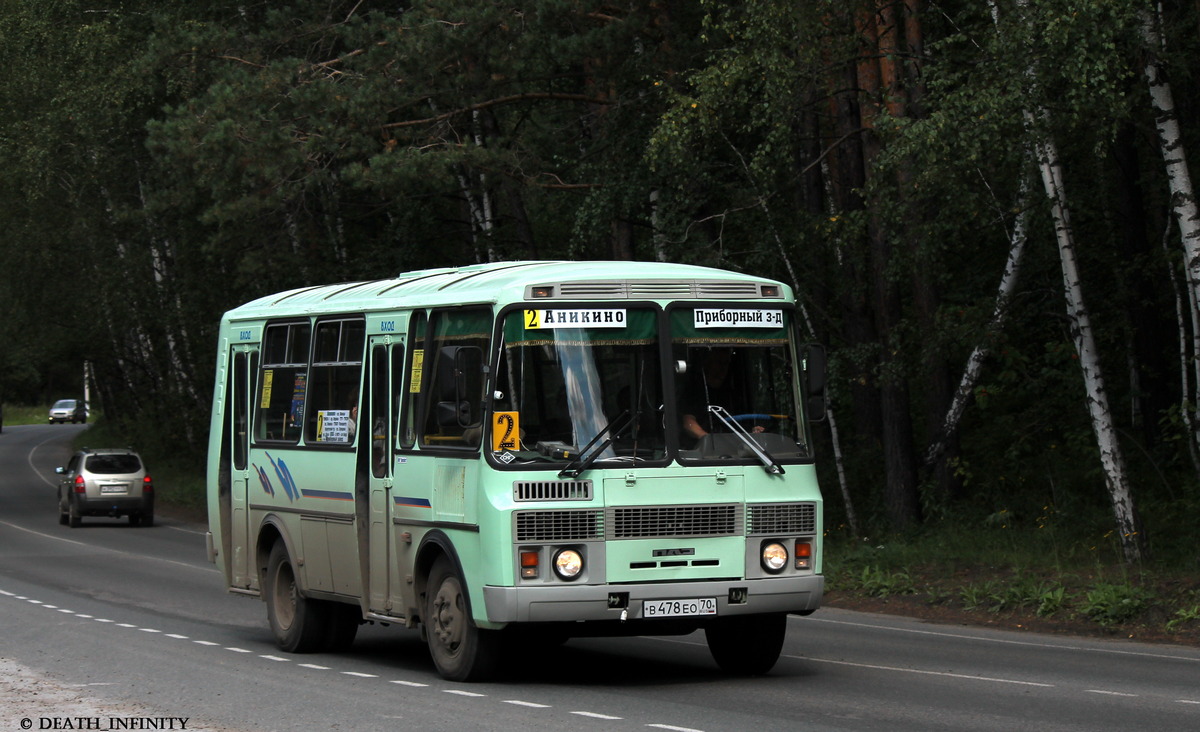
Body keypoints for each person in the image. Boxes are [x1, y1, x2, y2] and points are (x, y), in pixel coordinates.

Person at [679, 348, 764, 444]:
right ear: (708, 363)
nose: (723, 368)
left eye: (726, 363)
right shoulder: (693, 390)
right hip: (699, 452)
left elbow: (740, 423)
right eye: (719, 363)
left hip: (732, 450)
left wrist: (752, 431)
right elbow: (688, 423)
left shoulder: (733, 394)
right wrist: (708, 440)